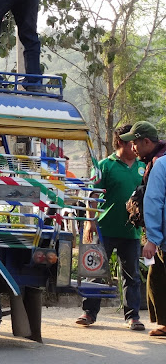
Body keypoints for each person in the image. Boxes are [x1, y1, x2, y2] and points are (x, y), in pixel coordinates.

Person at [76, 125, 146, 330]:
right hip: (104, 229)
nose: (134, 145)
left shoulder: (143, 166)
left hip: (131, 232)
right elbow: (93, 196)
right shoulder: (105, 166)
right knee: (95, 272)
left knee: (131, 274)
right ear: (120, 142)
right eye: (130, 141)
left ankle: (133, 316)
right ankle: (89, 313)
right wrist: (90, 222)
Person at [120, 121, 166, 337]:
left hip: (163, 237)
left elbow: (154, 202)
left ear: (147, 141)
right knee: (156, 274)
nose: (133, 148)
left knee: (157, 275)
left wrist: (153, 238)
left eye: (135, 143)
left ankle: (164, 323)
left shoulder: (159, 165)